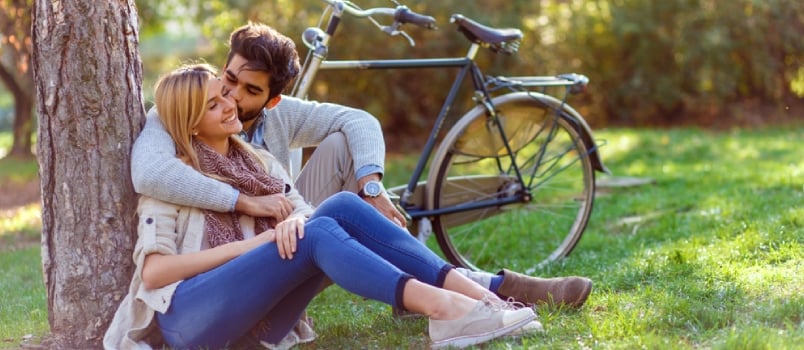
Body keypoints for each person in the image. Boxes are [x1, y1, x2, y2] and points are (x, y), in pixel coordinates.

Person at [130, 22, 592, 309]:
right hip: (248, 258)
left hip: (291, 229)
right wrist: (248, 202)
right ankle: (481, 290)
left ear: (272, 99)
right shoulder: (185, 109)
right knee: (336, 217)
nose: (231, 97)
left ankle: (479, 289)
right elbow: (148, 174)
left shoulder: (279, 118)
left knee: (342, 152)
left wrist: (372, 185)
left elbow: (360, 120)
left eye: (249, 91)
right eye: (229, 79)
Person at [104, 64, 538, 349]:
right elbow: (155, 272)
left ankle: (482, 301)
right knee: (312, 233)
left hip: (256, 324)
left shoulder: (257, 162)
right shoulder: (175, 180)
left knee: (341, 207)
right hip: (188, 323)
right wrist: (260, 244)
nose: (230, 104)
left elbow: (304, 212)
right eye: (212, 104)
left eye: (225, 94)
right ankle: (444, 310)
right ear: (190, 124)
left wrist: (293, 219)